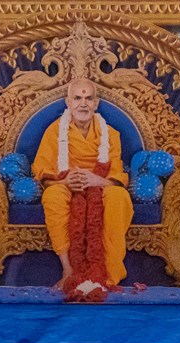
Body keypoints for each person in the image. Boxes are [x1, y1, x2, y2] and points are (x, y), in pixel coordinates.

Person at [31, 78, 133, 296]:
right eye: (77, 98)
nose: (83, 104)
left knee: (118, 197)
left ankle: (108, 274)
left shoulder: (110, 134)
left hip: (99, 183)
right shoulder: (54, 131)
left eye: (88, 98)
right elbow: (43, 172)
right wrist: (65, 182)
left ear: (96, 103)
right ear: (68, 103)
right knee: (53, 195)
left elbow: (116, 174)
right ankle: (68, 269)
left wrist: (97, 181)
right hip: (67, 182)